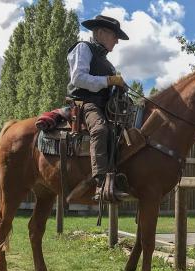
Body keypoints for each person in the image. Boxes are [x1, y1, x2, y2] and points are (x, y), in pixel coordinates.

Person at [66, 15, 130, 199]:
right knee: (100, 129)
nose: (117, 41)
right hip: (86, 103)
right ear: (100, 32)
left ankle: (118, 177)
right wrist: (109, 80)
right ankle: (101, 183)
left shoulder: (107, 62)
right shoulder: (83, 48)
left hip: (104, 106)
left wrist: (118, 87)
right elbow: (78, 78)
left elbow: (107, 86)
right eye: (114, 35)